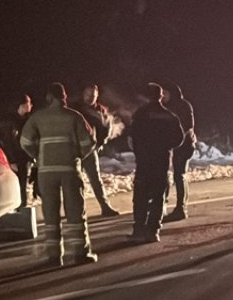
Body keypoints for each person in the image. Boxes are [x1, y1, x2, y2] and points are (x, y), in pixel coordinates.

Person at [20, 83, 98, 266]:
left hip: (46, 172)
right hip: (70, 170)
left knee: (50, 213)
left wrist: (37, 156)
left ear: (48, 98)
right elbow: (89, 143)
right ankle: (80, 253)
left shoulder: (38, 117)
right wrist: (78, 155)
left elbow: (24, 141)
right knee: (75, 212)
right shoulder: (75, 117)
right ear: (65, 97)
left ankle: (54, 256)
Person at [128, 82, 184, 243]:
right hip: (162, 160)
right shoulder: (170, 116)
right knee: (159, 195)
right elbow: (179, 139)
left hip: (144, 161)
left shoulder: (140, 114)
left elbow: (132, 137)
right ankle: (154, 230)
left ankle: (139, 229)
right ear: (160, 96)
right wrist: (165, 146)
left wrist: (140, 150)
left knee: (141, 195)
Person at [73, 85, 122, 217]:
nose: (90, 97)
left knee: (95, 179)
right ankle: (75, 209)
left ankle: (105, 207)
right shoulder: (75, 108)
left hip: (90, 149)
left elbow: (106, 128)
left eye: (93, 95)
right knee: (74, 180)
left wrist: (101, 142)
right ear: (83, 94)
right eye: (88, 94)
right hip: (74, 149)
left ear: (97, 95)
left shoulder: (101, 110)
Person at [160, 81, 196, 222]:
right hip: (172, 146)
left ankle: (181, 208)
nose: (163, 96)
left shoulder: (183, 105)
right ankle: (163, 206)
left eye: (165, 93)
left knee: (179, 175)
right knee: (169, 176)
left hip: (184, 146)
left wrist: (176, 140)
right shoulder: (166, 107)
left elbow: (188, 125)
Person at [2, 93, 35, 208]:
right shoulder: (12, 122)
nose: (30, 106)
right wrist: (11, 160)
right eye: (28, 103)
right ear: (21, 105)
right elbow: (8, 142)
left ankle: (23, 206)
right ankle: (21, 208)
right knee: (18, 185)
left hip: (23, 158)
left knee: (23, 184)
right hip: (17, 159)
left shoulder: (25, 120)